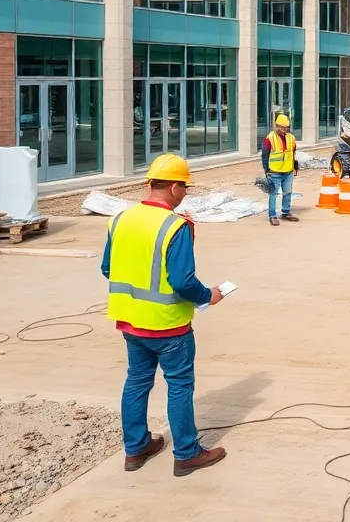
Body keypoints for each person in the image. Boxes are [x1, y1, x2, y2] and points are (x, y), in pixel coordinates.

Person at [101, 153, 227, 478]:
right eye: (184, 187)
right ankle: (186, 453)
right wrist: (209, 296)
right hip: (168, 325)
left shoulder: (120, 219)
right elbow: (183, 281)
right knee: (180, 385)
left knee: (137, 381)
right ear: (173, 187)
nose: (185, 193)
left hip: (130, 321)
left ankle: (135, 448)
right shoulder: (175, 226)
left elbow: (108, 268)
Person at [261, 113, 299, 226]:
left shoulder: (291, 138)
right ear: (277, 126)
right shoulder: (269, 139)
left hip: (288, 171)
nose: (285, 129)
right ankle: (272, 216)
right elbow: (265, 156)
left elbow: (293, 153)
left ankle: (286, 212)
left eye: (287, 127)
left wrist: (295, 167)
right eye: (283, 127)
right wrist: (267, 171)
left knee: (287, 192)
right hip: (274, 171)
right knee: (273, 193)